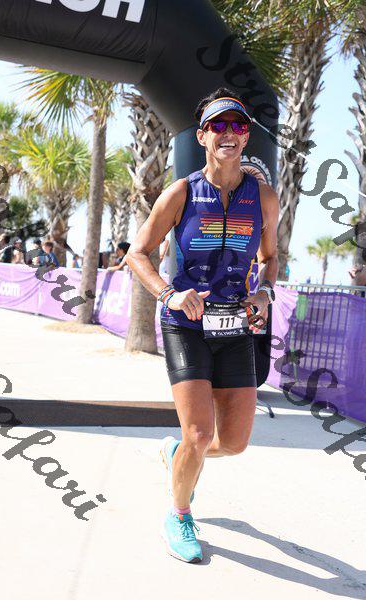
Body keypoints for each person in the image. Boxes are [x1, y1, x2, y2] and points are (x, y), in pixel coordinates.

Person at [125, 88, 279, 563]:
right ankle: (179, 514)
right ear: (202, 135)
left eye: (237, 125)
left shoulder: (263, 196)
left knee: (232, 442)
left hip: (236, 325)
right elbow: (137, 254)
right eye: (218, 125)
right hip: (186, 323)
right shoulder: (182, 192)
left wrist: (264, 291)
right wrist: (169, 294)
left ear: (246, 136)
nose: (229, 133)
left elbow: (270, 258)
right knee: (197, 433)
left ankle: (177, 457)